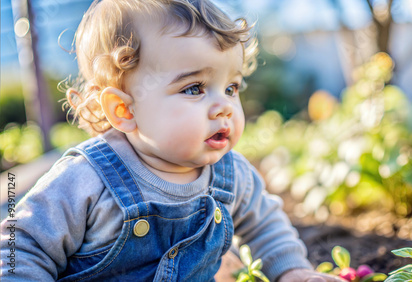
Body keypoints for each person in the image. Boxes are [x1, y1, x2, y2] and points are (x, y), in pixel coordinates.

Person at [0, 0, 345, 281]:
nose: (224, 106)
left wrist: (293, 271)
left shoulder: (230, 174)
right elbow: (21, 243)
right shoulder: (86, 179)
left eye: (231, 87)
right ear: (123, 109)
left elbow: (264, 224)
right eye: (194, 88)